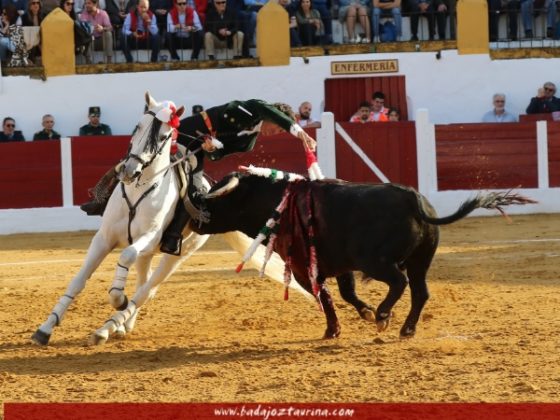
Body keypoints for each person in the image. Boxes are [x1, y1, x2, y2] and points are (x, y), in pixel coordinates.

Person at [80, 99, 317, 255]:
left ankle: (172, 236)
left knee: (194, 191)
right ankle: (101, 198)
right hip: (183, 134)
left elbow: (219, 155)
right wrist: (298, 132)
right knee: (137, 159)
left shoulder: (249, 142)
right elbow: (260, 110)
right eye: (277, 128)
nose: (274, 133)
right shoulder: (252, 109)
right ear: (273, 117)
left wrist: (213, 149)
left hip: (196, 151)